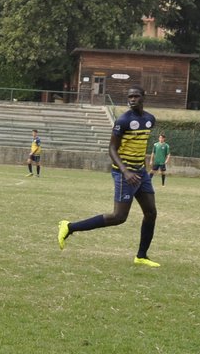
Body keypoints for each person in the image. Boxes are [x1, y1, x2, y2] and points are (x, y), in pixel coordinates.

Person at [58, 85, 160, 266]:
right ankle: (69, 227)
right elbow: (111, 149)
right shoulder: (123, 121)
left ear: (143, 97)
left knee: (151, 212)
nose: (132, 99)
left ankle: (141, 256)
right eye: (130, 97)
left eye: (136, 96)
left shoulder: (150, 120)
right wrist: (125, 171)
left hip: (140, 172)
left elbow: (139, 144)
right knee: (118, 217)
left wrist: (141, 167)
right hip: (124, 173)